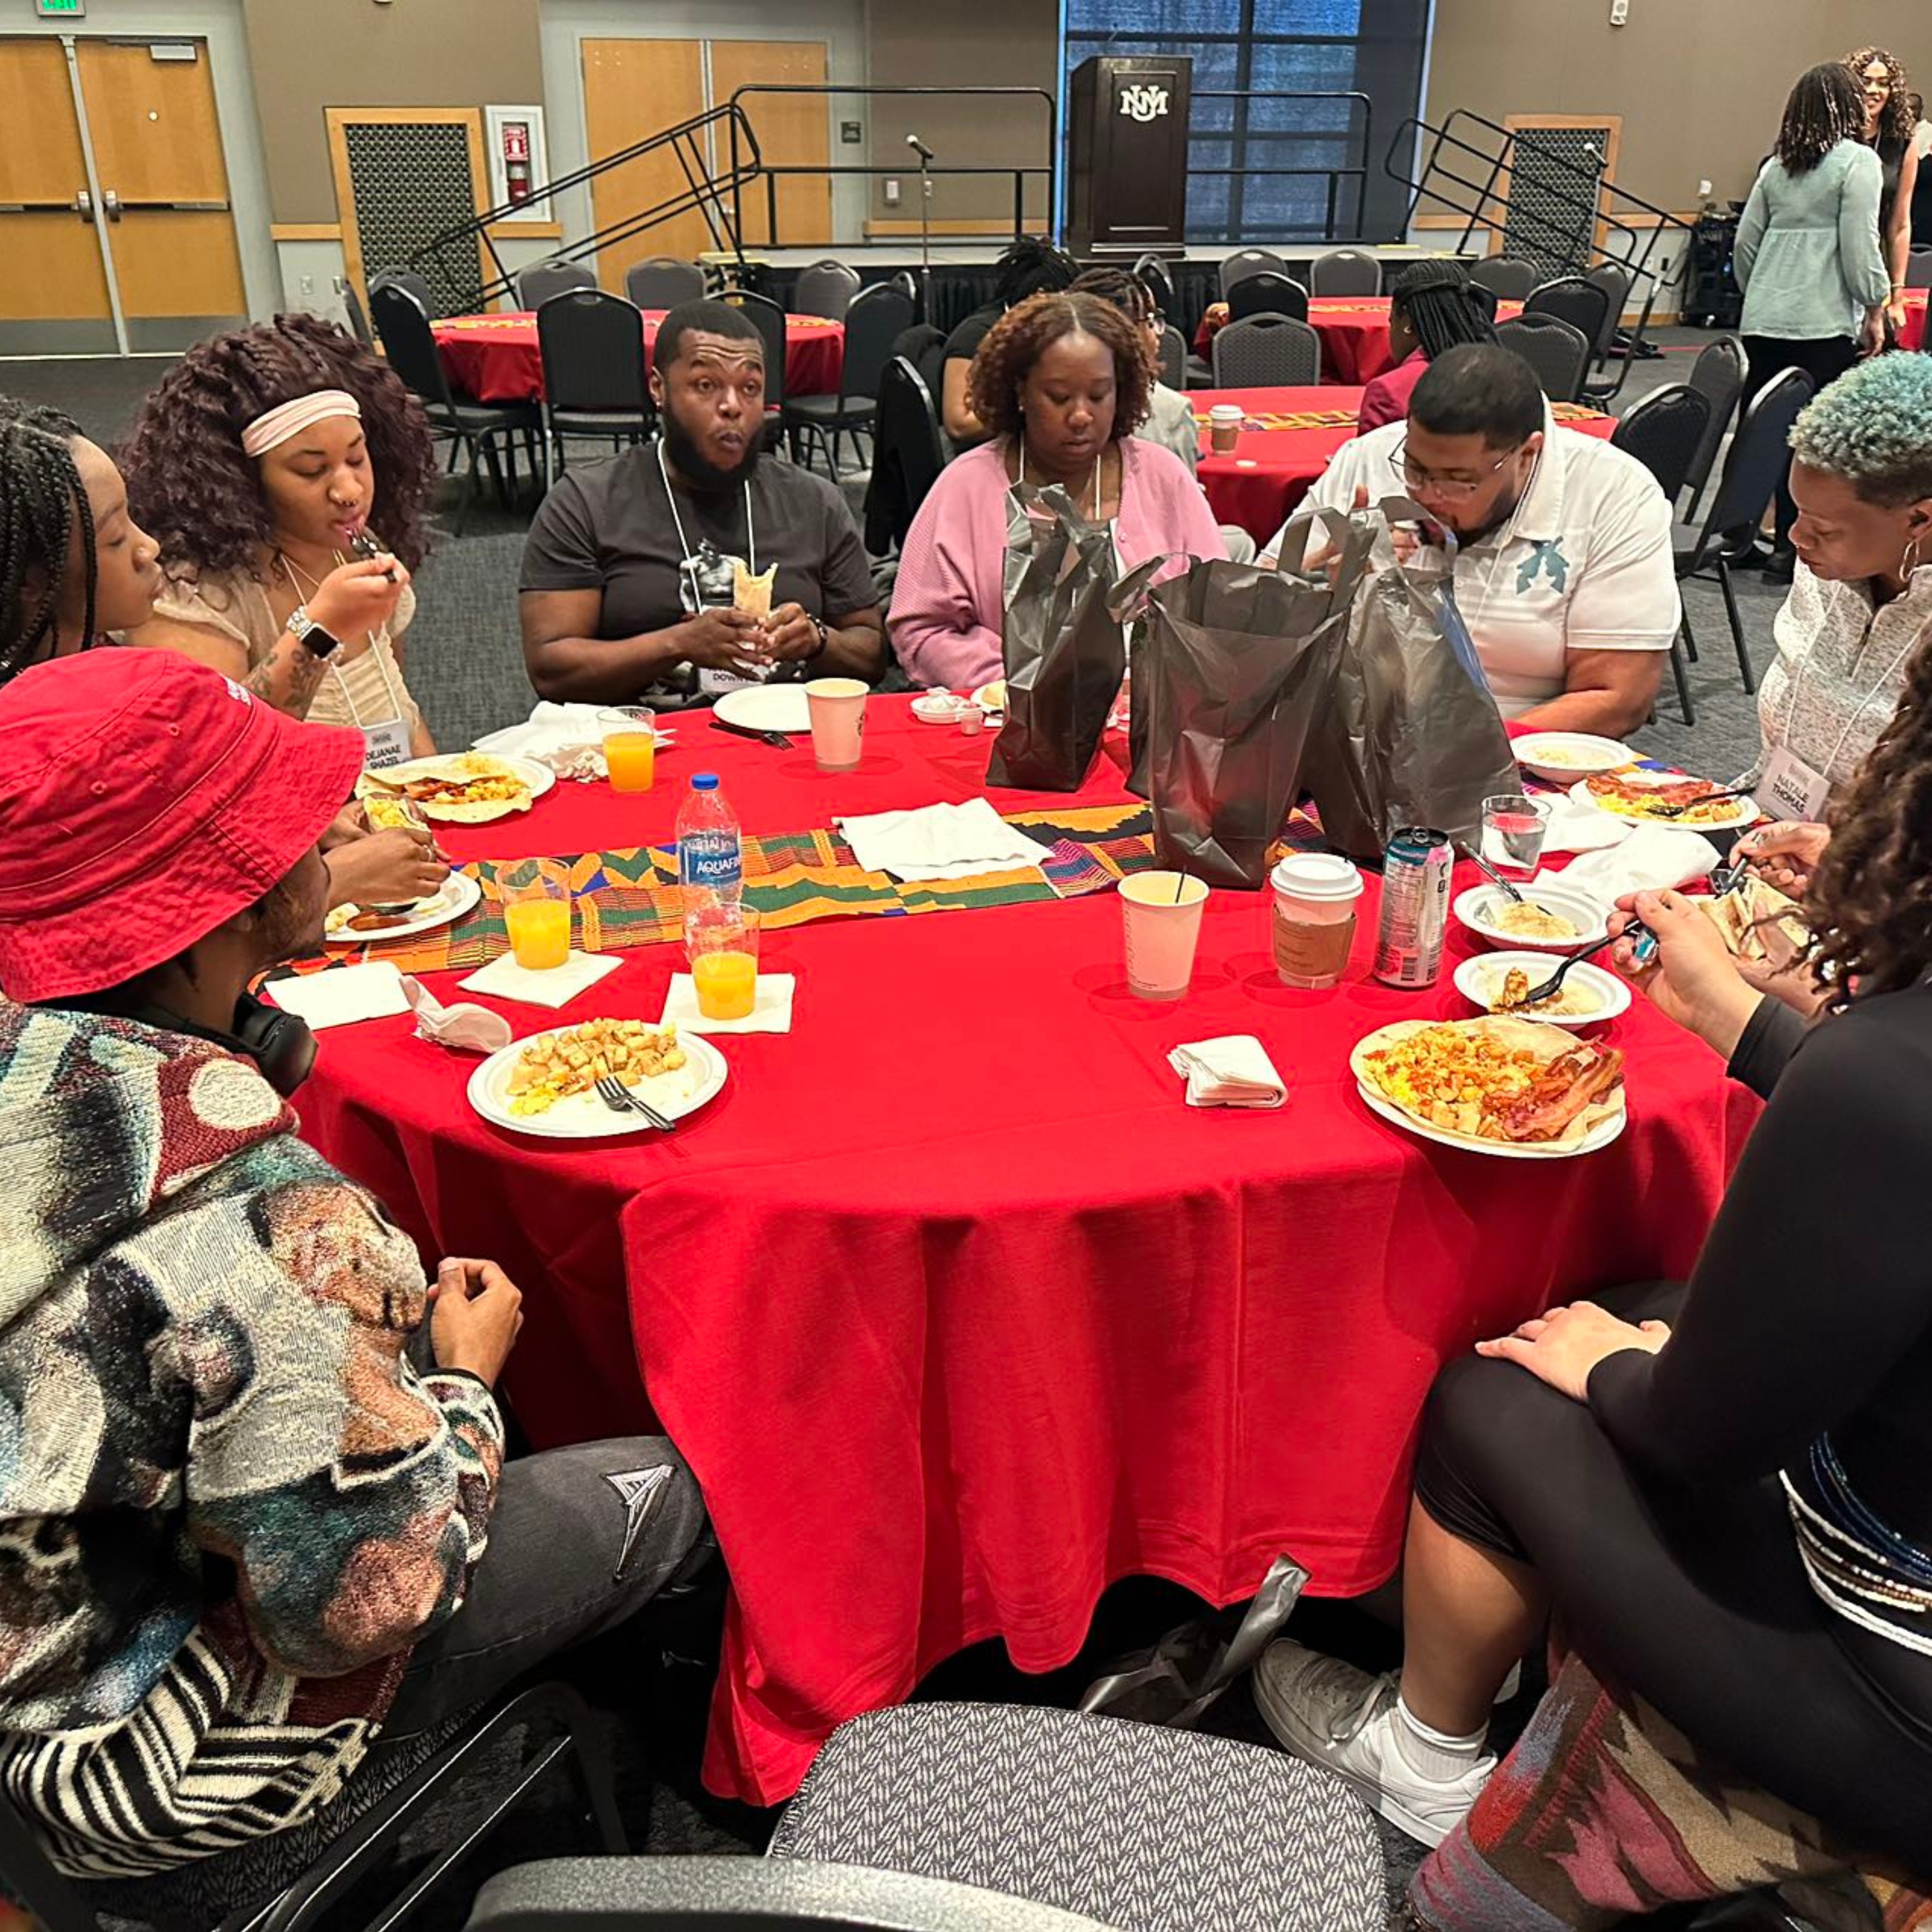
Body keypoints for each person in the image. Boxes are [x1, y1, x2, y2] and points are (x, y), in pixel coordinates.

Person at [0, 649, 706, 1900]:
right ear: (230, 901)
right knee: (682, 1477)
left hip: (43, 1622)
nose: (328, 831)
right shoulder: (267, 1220)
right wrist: (469, 1388)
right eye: (293, 825)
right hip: (118, 1768)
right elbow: (359, 1601)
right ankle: (638, 1779)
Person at [1249, 658, 1932, 1900]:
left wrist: (1620, 1367)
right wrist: (1753, 1029)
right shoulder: (1881, 1076)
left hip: (1893, 1688)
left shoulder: (1886, 1077)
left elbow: (1697, 1443)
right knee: (1637, 1314)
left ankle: (1424, 1760)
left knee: (1500, 1382)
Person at [0, 395, 444, 915]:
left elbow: (199, 804)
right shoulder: (53, 731)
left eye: (356, 456)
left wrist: (306, 824)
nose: (151, 549)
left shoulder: (85, 669)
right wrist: (328, 883)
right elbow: (136, 913)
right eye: (118, 537)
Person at [1262, 343, 1678, 734]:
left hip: (1525, 752)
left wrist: (1467, 757)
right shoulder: (1369, 460)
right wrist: (1323, 593)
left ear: (1526, 455)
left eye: (1458, 482)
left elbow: (1617, 697)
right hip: (1361, 734)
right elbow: (1255, 616)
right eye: (1415, 469)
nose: (1426, 495)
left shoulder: (1613, 492)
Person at [520, 298, 882, 708]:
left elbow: (871, 653)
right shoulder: (586, 502)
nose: (732, 406)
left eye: (750, 388)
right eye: (706, 385)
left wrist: (818, 639)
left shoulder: (815, 502)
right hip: (642, 744)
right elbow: (551, 671)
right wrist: (676, 644)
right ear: (659, 388)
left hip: (786, 739)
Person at [120, 314, 438, 763]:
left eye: (356, 456)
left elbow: (396, 704)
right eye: (312, 470)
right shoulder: (192, 589)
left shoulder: (361, 545)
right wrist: (320, 631)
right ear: (243, 480)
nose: (349, 492)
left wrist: (446, 788)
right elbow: (220, 754)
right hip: (288, 826)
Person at [887, 290, 1226, 693]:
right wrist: (1016, 684)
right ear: (1019, 392)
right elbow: (921, 630)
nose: (1082, 415)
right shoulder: (967, 486)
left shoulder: (1162, 475)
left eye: (1099, 395)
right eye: (1060, 397)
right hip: (1006, 721)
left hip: (1152, 721)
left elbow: (1216, 609)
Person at [1747, 354, 1932, 830]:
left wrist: (1838, 859)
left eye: (1824, 529)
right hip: (1764, 836)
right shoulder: (1827, 569)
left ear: (1919, 519)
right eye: (1797, 512)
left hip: (1884, 889)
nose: (1796, 538)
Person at [1734, 63, 1891, 572]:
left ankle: (1735, 535)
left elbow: (1745, 245)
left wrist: (1760, 293)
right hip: (1822, 324)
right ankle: (1788, 546)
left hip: (1763, 320)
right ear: (1847, 108)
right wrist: (1876, 304)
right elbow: (1859, 246)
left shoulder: (1776, 168)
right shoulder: (1857, 163)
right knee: (1812, 442)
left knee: (1760, 430)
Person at [1, 397, 162, 682]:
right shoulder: (33, 718)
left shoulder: (99, 658)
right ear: (31, 580)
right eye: (116, 537)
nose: (149, 548)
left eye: (130, 514)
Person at [939, 236, 1077, 447]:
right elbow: (960, 424)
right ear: (1041, 296)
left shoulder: (1042, 333)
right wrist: (1032, 409)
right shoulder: (974, 336)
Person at [1066, 265, 1200, 473]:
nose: (1157, 331)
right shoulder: (1171, 412)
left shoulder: (1042, 402)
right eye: (1150, 320)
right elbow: (1183, 501)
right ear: (1126, 332)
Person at [1357, 260, 1496, 434]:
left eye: (1391, 322)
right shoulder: (1507, 378)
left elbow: (1371, 460)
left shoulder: (1389, 392)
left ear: (1407, 323)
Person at [1846, 45, 1922, 341]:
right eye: (1866, 81)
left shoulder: (1902, 142)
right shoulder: (1832, 137)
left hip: (1873, 265)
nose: (1874, 90)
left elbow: (1900, 224)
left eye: (1884, 83)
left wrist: (1897, 293)